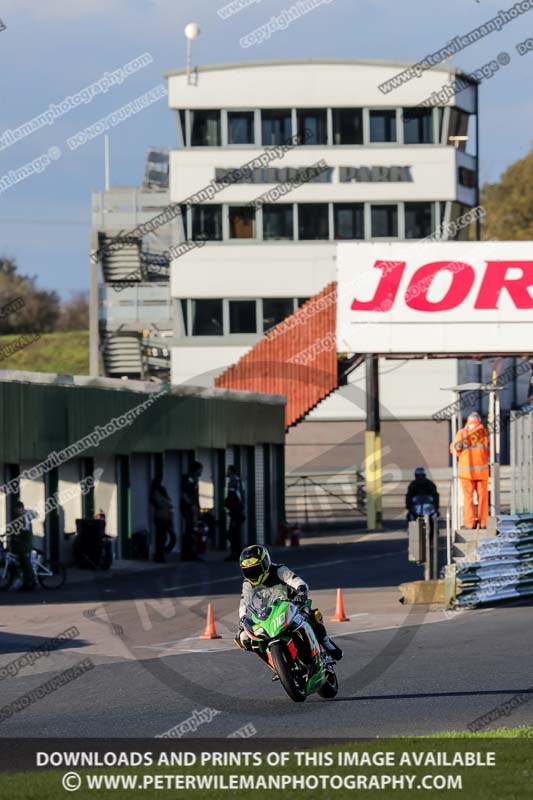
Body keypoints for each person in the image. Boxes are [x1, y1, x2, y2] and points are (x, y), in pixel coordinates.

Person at [234, 544, 343, 662]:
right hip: (267, 615)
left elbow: (297, 581)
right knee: (245, 638)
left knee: (311, 615)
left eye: (255, 569)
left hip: (292, 605)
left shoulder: (279, 570)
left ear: (265, 563)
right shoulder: (248, 584)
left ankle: (327, 644)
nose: (253, 574)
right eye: (248, 571)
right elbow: (244, 602)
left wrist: (301, 592)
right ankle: (274, 663)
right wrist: (243, 619)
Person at [450, 411, 490, 529]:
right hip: (482, 472)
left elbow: (455, 450)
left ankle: (469, 523)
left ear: (468, 421)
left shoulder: (461, 433)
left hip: (466, 473)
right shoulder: (484, 433)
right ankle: (483, 523)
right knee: (483, 497)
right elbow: (488, 452)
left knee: (468, 498)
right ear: (479, 421)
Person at [149, 475, 176, 564]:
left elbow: (168, 502)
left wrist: (166, 502)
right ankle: (159, 555)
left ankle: (162, 553)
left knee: (167, 537)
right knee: (161, 537)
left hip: (166, 516)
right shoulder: (155, 492)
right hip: (160, 517)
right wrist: (166, 502)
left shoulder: (162, 491)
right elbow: (159, 504)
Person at [9, 501, 35, 590]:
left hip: (25, 544)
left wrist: (18, 535)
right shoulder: (20, 517)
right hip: (21, 544)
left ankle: (31, 582)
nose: (15, 511)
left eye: (17, 509)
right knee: (22, 563)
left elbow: (25, 530)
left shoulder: (25, 517)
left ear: (21, 508)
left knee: (25, 563)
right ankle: (25, 582)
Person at [179, 461, 203, 561]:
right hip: (188, 508)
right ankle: (187, 553)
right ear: (196, 470)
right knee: (189, 530)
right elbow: (185, 494)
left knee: (193, 530)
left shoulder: (195, 479)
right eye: (200, 470)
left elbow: (196, 496)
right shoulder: (188, 479)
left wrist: (198, 508)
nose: (201, 472)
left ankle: (192, 553)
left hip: (193, 508)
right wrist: (191, 506)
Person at [224, 465, 245, 562]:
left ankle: (235, 554)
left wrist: (227, 504)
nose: (226, 472)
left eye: (228, 470)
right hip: (238, 511)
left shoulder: (234, 481)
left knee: (233, 534)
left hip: (236, 512)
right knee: (235, 533)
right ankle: (236, 553)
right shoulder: (239, 481)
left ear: (231, 471)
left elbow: (233, 497)